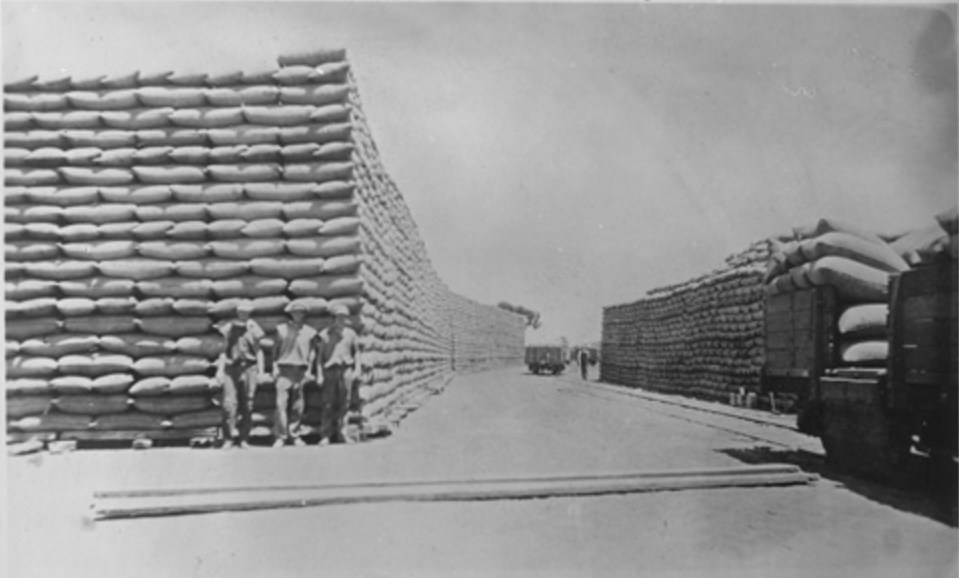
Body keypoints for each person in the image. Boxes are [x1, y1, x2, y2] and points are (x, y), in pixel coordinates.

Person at [216, 300, 266, 449]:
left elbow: (259, 351)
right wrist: (219, 370)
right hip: (231, 369)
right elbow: (223, 351)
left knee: (248, 405)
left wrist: (262, 372)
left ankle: (244, 438)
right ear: (237, 312)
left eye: (247, 312)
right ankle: (228, 438)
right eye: (241, 312)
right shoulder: (229, 327)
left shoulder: (253, 327)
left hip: (250, 368)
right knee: (229, 405)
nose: (244, 315)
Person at [270, 301, 317, 448]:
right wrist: (274, 367)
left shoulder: (310, 332)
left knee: (298, 406)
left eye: (301, 312)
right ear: (290, 313)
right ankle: (281, 436)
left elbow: (312, 352)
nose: (298, 314)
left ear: (304, 314)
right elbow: (274, 351)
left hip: (300, 371)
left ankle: (295, 435)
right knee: (280, 404)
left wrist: (309, 370)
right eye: (295, 312)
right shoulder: (281, 330)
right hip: (284, 370)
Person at [315, 303, 361, 445]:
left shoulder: (351, 334)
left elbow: (357, 352)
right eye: (339, 318)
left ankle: (342, 432)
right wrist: (319, 375)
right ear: (333, 319)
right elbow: (319, 357)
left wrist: (357, 369)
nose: (342, 321)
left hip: (346, 370)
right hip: (330, 371)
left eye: (344, 318)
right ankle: (325, 434)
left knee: (344, 403)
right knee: (328, 404)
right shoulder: (324, 335)